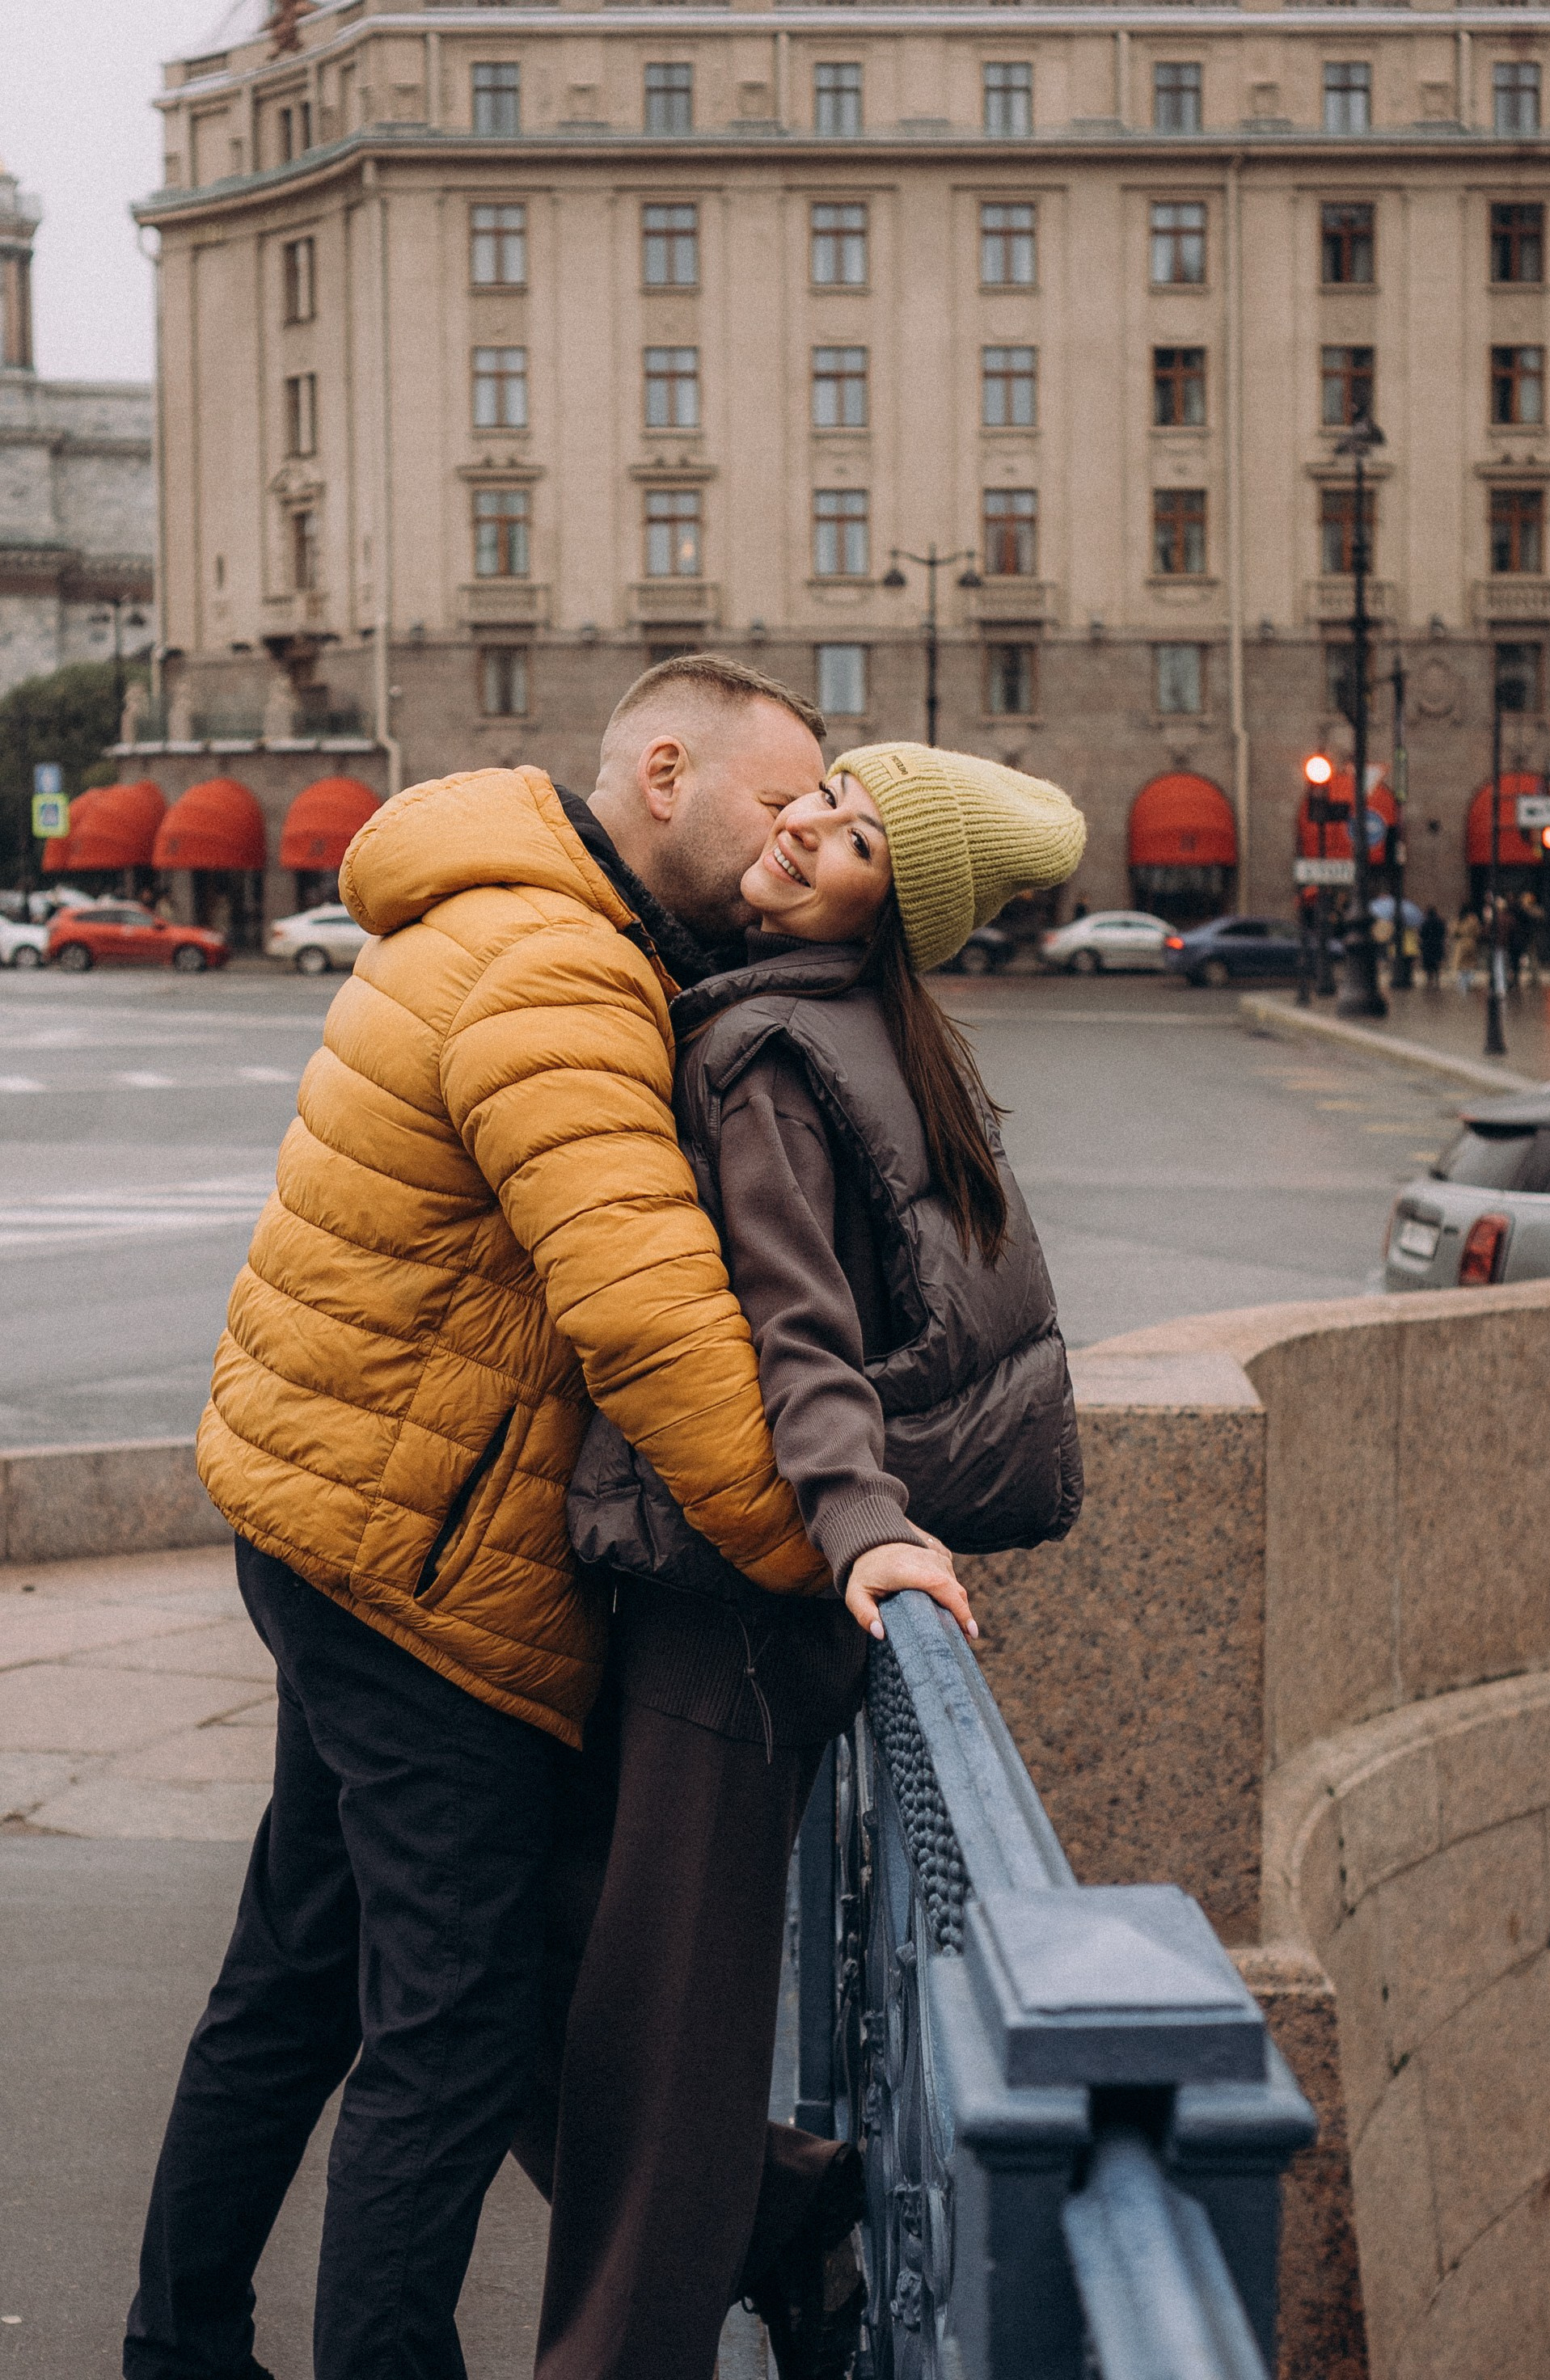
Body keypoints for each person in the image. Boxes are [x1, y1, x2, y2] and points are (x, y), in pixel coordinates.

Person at [123, 655, 944, 2380]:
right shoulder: (562, 969)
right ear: (663, 769)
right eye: (777, 792)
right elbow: (651, 1319)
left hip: (338, 1513)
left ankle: (178, 2342)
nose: (800, 822)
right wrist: (823, 1551)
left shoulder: (524, 910)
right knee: (449, 2022)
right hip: (422, 1570)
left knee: (296, 1972)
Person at [521, 743, 1087, 2380]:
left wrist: (857, 1520)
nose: (807, 832)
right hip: (757, 1607)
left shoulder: (769, 1044)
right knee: (614, 2001)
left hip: (734, 1609)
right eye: (826, 794)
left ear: (884, 906)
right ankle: (795, 2210)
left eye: (854, 841)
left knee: (665, 2043)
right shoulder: (857, 1029)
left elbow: (799, 1332)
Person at [1418, 901, 1447, 988]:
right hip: (1437, 945)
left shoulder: (1425, 922)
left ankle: (1429, 980)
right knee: (1436, 964)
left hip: (1427, 946)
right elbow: (1443, 933)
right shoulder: (1440, 922)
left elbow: (1422, 934)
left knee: (1428, 965)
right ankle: (1437, 980)